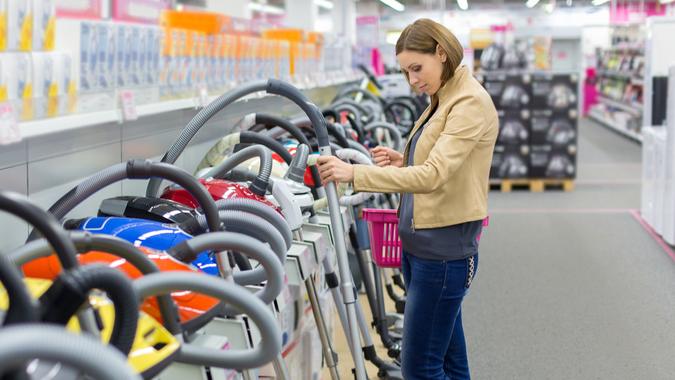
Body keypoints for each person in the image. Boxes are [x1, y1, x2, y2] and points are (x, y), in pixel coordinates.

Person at [316, 18, 498, 380]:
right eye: (405, 72)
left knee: (420, 369)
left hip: (443, 253)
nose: (413, 80)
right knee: (447, 362)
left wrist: (355, 174)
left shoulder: (468, 102)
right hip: (423, 246)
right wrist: (405, 160)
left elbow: (433, 175)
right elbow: (443, 163)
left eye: (417, 68)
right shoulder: (444, 97)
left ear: (441, 54)